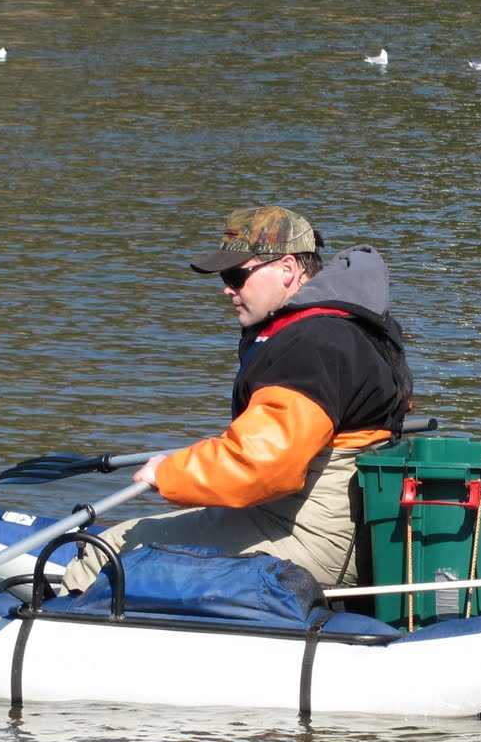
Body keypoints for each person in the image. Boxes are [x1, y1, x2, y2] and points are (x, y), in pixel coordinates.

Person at [61, 206, 412, 594]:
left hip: (312, 538)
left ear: (288, 269)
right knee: (155, 528)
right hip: (315, 522)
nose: (228, 288)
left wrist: (167, 474)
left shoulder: (311, 345)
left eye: (237, 275)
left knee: (106, 550)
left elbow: (262, 465)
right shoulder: (343, 326)